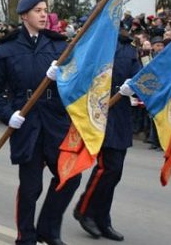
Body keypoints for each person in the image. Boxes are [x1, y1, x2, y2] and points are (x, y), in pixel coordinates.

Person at [0, 0, 80, 245]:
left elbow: (76, 84)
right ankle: (25, 237)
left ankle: (48, 228)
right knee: (30, 187)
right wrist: (8, 114)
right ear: (24, 15)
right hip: (26, 123)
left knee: (69, 176)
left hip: (55, 121)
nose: (43, 14)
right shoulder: (7, 49)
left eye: (45, 9)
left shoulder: (59, 46)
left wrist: (66, 77)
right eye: (37, 10)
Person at [72, 31, 141, 242]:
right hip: (99, 113)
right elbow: (80, 75)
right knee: (106, 168)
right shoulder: (95, 42)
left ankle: (102, 218)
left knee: (115, 171)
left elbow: (140, 75)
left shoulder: (129, 49)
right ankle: (84, 210)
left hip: (120, 115)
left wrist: (134, 86)